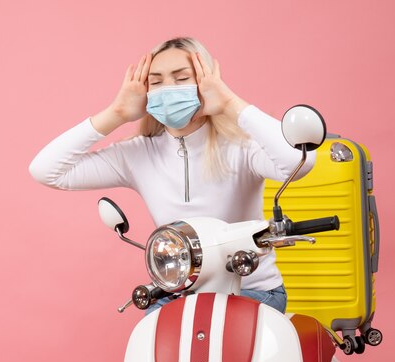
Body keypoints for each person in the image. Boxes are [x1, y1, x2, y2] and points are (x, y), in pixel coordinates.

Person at [28, 37, 315, 313]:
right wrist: (116, 113)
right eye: (156, 82)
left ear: (205, 84)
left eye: (181, 79)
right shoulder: (138, 154)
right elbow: (46, 170)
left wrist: (229, 103)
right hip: (177, 295)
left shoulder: (241, 147)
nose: (168, 89)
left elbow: (297, 162)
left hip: (252, 291)